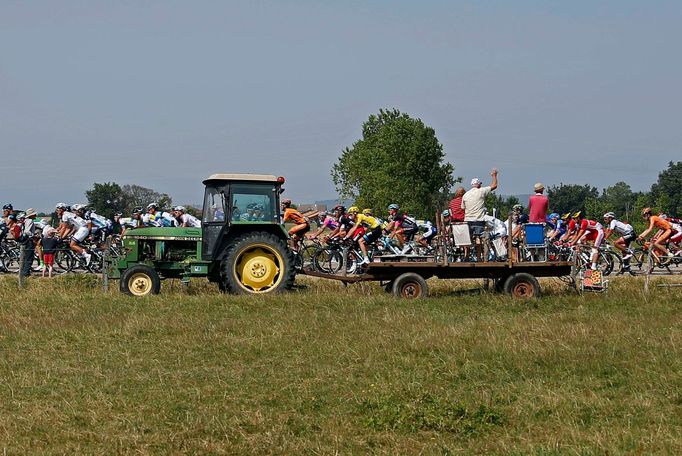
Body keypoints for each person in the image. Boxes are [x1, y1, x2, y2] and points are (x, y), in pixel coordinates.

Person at [462, 169, 498, 260]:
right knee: (478, 239)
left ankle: (466, 257)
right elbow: (494, 186)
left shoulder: (465, 195)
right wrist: (494, 175)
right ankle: (478, 257)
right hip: (478, 220)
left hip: (467, 220)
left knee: (468, 240)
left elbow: (463, 207)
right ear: (478, 185)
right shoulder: (481, 191)